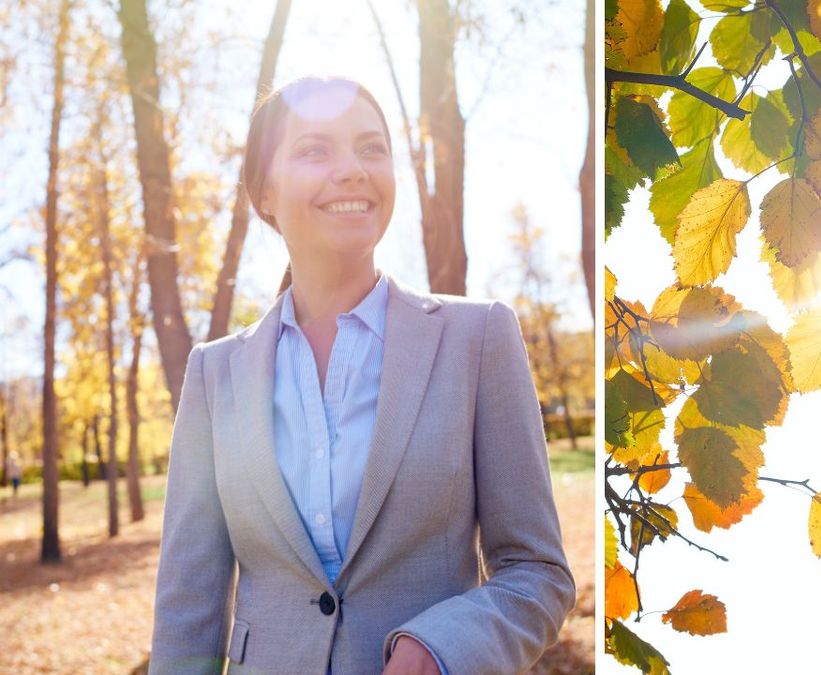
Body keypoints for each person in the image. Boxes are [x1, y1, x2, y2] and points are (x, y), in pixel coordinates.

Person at [149, 76, 574, 675]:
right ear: (264, 193)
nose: (352, 169)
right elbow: (187, 608)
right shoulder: (214, 374)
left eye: (371, 148)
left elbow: (538, 573)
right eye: (315, 149)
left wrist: (442, 645)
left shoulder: (478, 339)